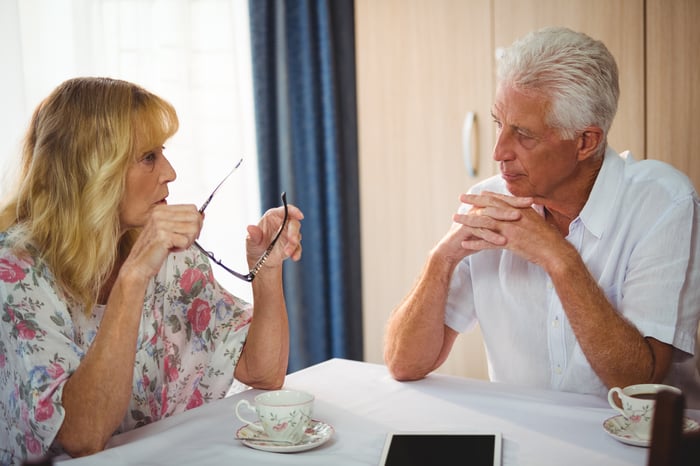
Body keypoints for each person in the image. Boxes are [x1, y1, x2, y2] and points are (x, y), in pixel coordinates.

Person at [384, 27, 700, 408]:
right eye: (499, 123)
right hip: (526, 441)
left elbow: (639, 383)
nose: (499, 151)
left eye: (523, 135)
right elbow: (405, 364)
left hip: (636, 447)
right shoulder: (494, 202)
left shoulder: (663, 203)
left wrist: (558, 257)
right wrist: (441, 259)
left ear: (586, 142)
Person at [0, 77, 304, 464]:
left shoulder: (172, 255)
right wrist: (133, 278)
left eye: (163, 152)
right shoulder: (15, 271)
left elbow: (262, 373)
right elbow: (82, 436)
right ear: (92, 168)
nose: (171, 172)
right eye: (148, 157)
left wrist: (266, 268)